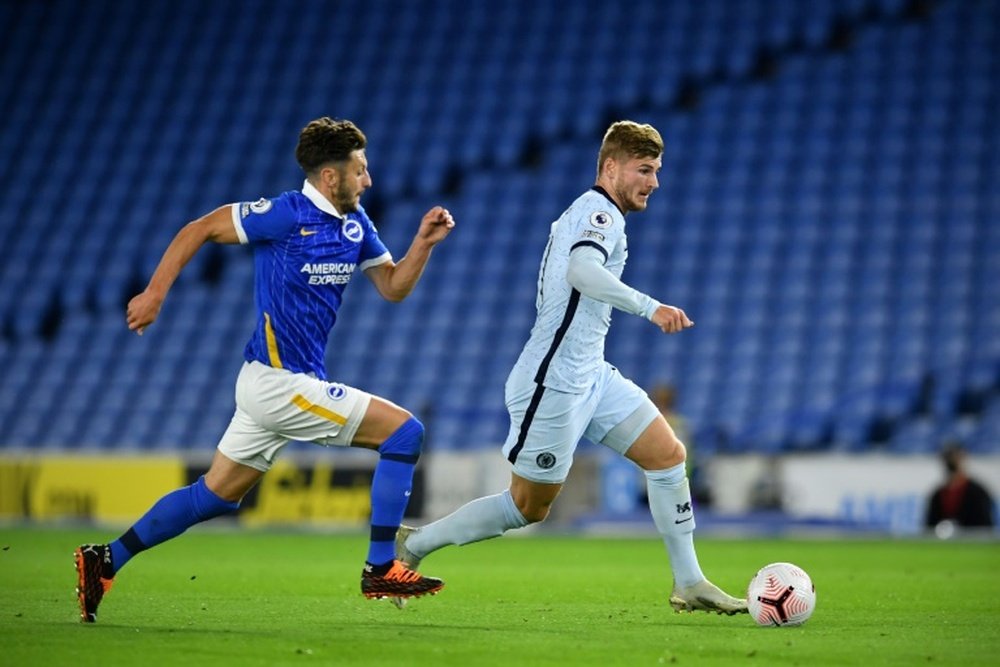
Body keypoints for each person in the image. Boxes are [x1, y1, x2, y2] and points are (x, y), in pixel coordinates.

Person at [74, 117, 455, 623]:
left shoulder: (355, 224)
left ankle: (104, 560)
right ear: (329, 177)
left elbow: (392, 287)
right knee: (405, 433)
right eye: (360, 170)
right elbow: (200, 228)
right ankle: (380, 566)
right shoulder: (282, 214)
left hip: (278, 384)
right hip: (279, 382)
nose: (368, 180)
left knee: (214, 495)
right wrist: (155, 292)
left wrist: (423, 246)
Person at [393, 120, 747, 614]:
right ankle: (414, 545)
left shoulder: (595, 213)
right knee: (527, 508)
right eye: (644, 169)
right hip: (552, 381)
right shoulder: (599, 212)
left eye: (657, 171)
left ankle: (689, 581)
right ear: (610, 167)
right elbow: (580, 271)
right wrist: (651, 307)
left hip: (591, 373)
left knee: (668, 457)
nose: (654, 182)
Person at [925, 442, 995, 530]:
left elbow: (984, 527)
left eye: (956, 457)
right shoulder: (938, 495)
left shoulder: (978, 493)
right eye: (949, 457)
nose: (952, 461)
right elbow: (929, 528)